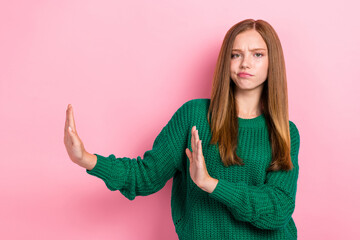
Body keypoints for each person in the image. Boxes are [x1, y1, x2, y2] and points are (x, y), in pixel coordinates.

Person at [64, 19, 300, 240]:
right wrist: (86, 159)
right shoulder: (194, 115)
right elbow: (147, 175)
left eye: (257, 54)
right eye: (235, 54)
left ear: (273, 62)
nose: (245, 63)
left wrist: (211, 184)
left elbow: (278, 210)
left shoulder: (285, 132)